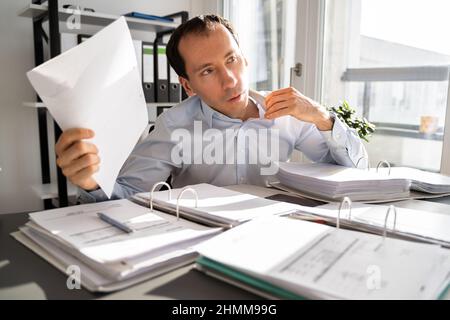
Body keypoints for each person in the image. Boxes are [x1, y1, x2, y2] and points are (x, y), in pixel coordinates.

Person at [55, 15, 367, 203]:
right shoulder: (175, 124)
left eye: (231, 59)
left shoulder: (285, 111)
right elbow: (129, 196)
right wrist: (92, 182)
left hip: (271, 238)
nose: (230, 80)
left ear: (244, 58)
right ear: (188, 85)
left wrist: (323, 118)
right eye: (207, 71)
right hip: (196, 246)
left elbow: (354, 172)